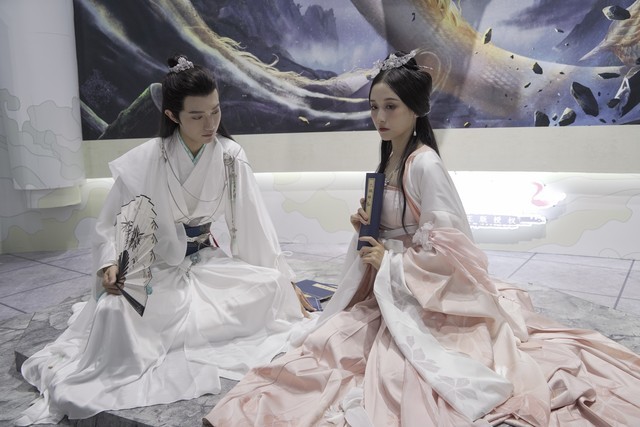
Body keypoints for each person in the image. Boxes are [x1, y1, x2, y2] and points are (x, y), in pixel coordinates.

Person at [204, 51, 640, 426]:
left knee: (373, 364)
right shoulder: (393, 156)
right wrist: (367, 228)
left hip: (423, 294)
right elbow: (401, 226)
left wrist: (391, 261)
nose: (379, 117)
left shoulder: (424, 164)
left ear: (415, 109)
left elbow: (452, 249)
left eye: (390, 107)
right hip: (392, 288)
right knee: (330, 342)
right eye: (374, 107)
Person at [17, 54, 313, 425]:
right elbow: (110, 223)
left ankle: (179, 330)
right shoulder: (144, 160)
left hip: (206, 262)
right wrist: (110, 263)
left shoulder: (230, 156)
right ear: (172, 115)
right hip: (156, 267)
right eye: (197, 116)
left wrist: (284, 279)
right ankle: (171, 332)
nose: (211, 124)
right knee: (115, 313)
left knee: (269, 287)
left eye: (216, 111)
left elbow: (254, 225)